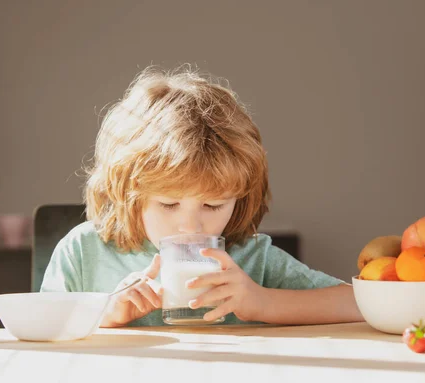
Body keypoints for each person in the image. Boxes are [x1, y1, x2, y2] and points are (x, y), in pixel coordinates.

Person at [41, 64, 364, 327]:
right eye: (169, 204)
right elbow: (40, 331)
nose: (190, 226)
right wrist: (103, 313)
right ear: (129, 194)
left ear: (239, 199)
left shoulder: (252, 259)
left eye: (213, 205)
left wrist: (262, 301)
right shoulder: (83, 252)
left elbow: (360, 304)